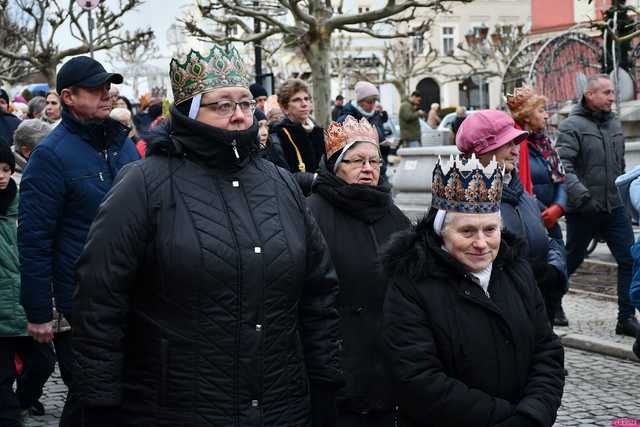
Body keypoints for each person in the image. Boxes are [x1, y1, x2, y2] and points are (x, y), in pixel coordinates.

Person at [72, 44, 343, 427]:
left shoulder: (280, 183)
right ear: (189, 112)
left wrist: (326, 381)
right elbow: (99, 298)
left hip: (280, 406)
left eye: (246, 104)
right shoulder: (144, 184)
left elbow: (318, 293)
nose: (238, 116)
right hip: (175, 406)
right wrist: (99, 400)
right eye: (222, 106)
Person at [382, 153, 565, 427]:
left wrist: (533, 413)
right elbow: (418, 377)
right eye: (467, 231)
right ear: (441, 232)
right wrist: (504, 418)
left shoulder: (517, 270)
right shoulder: (411, 284)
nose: (481, 243)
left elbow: (546, 349)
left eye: (490, 229)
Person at [18, 56, 139, 425]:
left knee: (111, 389)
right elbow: (35, 239)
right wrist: (39, 311)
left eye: (108, 87)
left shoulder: (122, 144)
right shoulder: (50, 156)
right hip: (84, 297)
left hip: (136, 287)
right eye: (96, 88)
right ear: (68, 97)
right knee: (95, 390)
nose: (108, 94)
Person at [308, 115, 410, 426]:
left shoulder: (394, 215)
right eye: (356, 161)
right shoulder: (311, 212)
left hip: (388, 357)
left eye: (374, 161)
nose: (368, 169)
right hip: (337, 359)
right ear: (335, 164)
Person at [456, 110, 568, 325]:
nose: (516, 150)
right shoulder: (463, 201)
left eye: (516, 143)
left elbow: (552, 239)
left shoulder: (522, 194)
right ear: (481, 152)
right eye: (507, 144)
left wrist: (553, 271)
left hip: (536, 307)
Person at [556, 74, 639, 337]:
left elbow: (620, 167)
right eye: (606, 93)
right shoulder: (571, 125)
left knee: (630, 259)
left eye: (613, 93)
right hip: (583, 207)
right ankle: (552, 303)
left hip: (614, 207)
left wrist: (626, 201)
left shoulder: (615, 124)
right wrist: (582, 197)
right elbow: (563, 166)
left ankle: (626, 318)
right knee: (571, 259)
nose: (612, 98)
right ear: (590, 95)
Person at [0, 144, 55, 426]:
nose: (1, 175)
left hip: (23, 307)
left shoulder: (24, 204)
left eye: (6, 169)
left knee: (43, 362)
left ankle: (24, 401)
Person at [507, 86, 569, 326]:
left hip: (549, 217)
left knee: (556, 266)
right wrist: (538, 211)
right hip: (533, 217)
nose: (546, 116)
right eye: (541, 110)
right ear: (526, 114)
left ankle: (556, 305)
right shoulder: (516, 142)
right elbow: (520, 185)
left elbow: (561, 178)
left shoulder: (545, 143)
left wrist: (559, 207)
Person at [269, 78, 325, 195]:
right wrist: (313, 179)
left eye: (306, 99)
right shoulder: (277, 136)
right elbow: (281, 177)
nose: (304, 104)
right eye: (297, 100)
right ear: (285, 108)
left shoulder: (318, 131)